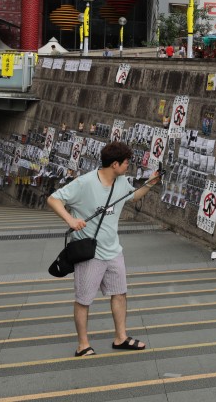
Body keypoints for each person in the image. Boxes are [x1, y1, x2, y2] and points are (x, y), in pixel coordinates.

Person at [47, 141, 161, 357]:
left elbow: (132, 196)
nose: (129, 166)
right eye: (126, 163)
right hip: (90, 253)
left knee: (119, 294)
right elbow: (53, 199)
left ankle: (121, 338)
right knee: (84, 300)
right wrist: (70, 219)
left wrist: (150, 184)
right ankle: (83, 345)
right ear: (115, 164)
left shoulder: (121, 182)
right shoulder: (85, 183)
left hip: (113, 250)